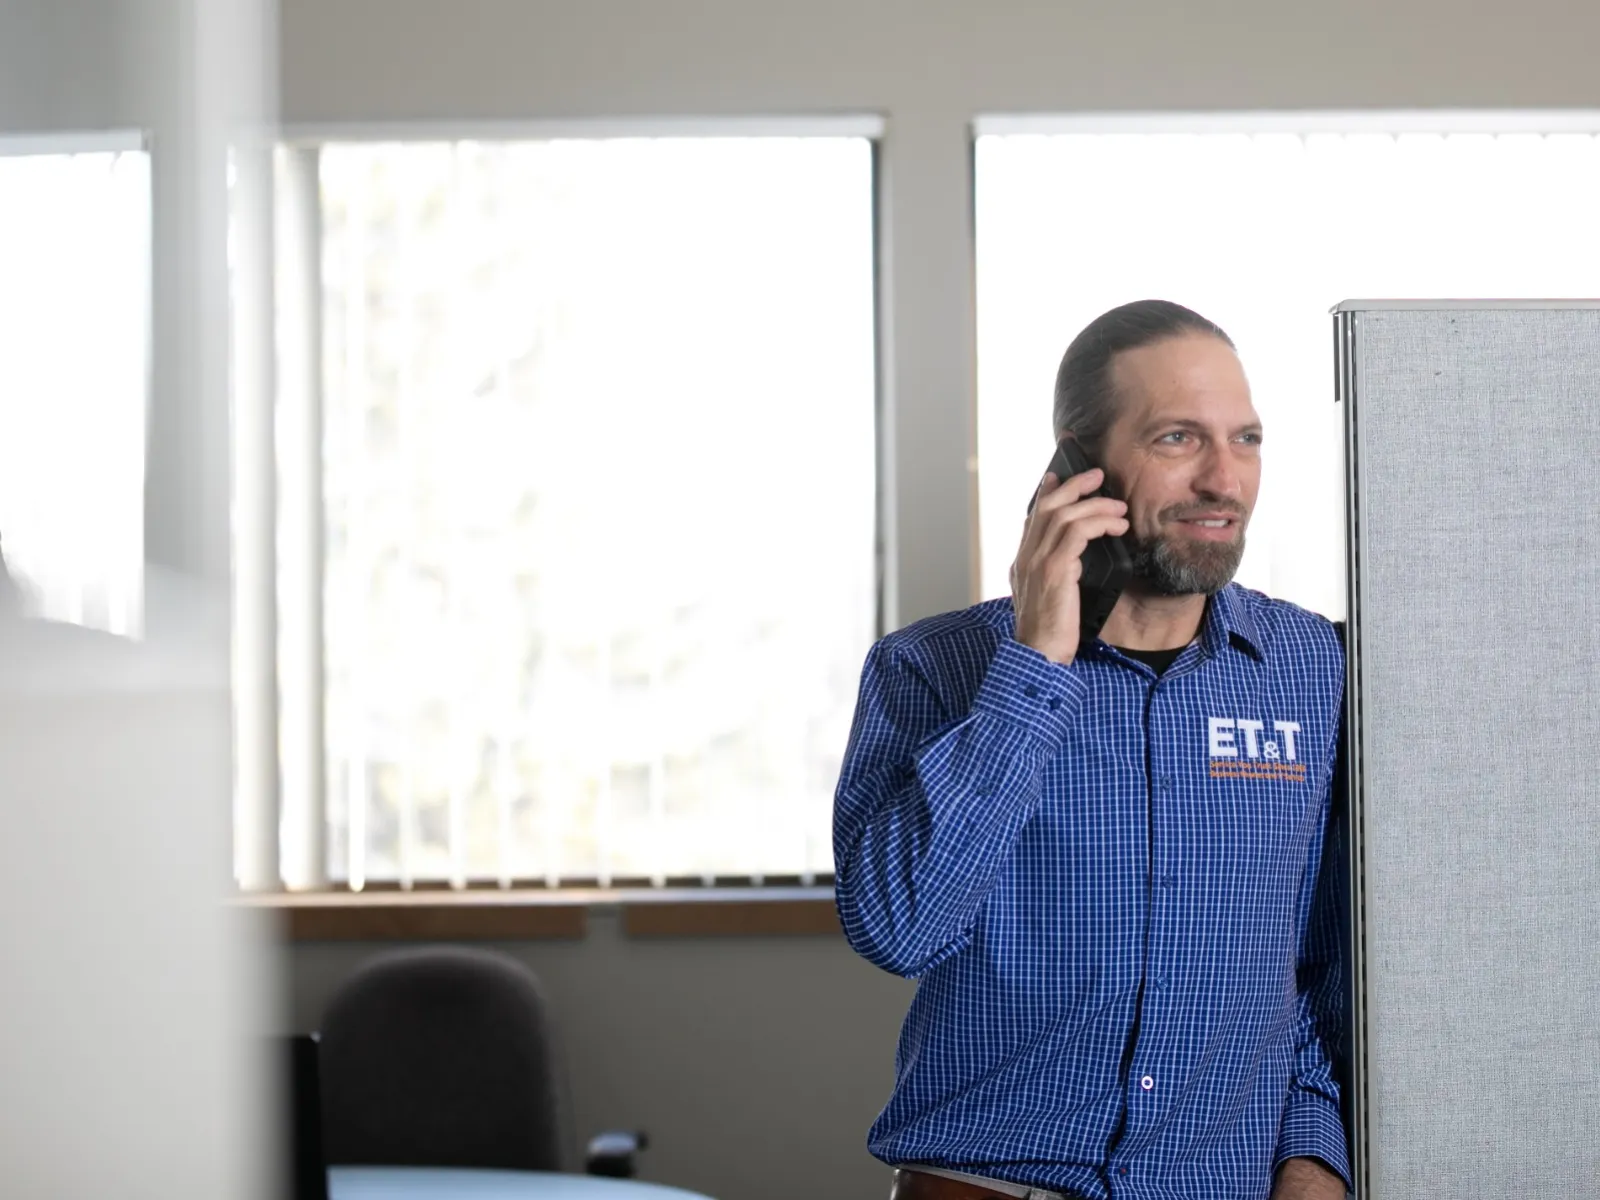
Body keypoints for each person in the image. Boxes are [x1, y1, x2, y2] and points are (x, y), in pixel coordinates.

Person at [834, 300, 1348, 1200]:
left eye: (1247, 439)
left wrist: (1314, 1158)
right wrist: (1034, 665)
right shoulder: (931, 669)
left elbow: (1322, 973)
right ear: (1077, 465)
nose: (1224, 479)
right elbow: (898, 930)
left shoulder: (1314, 671)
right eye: (1178, 438)